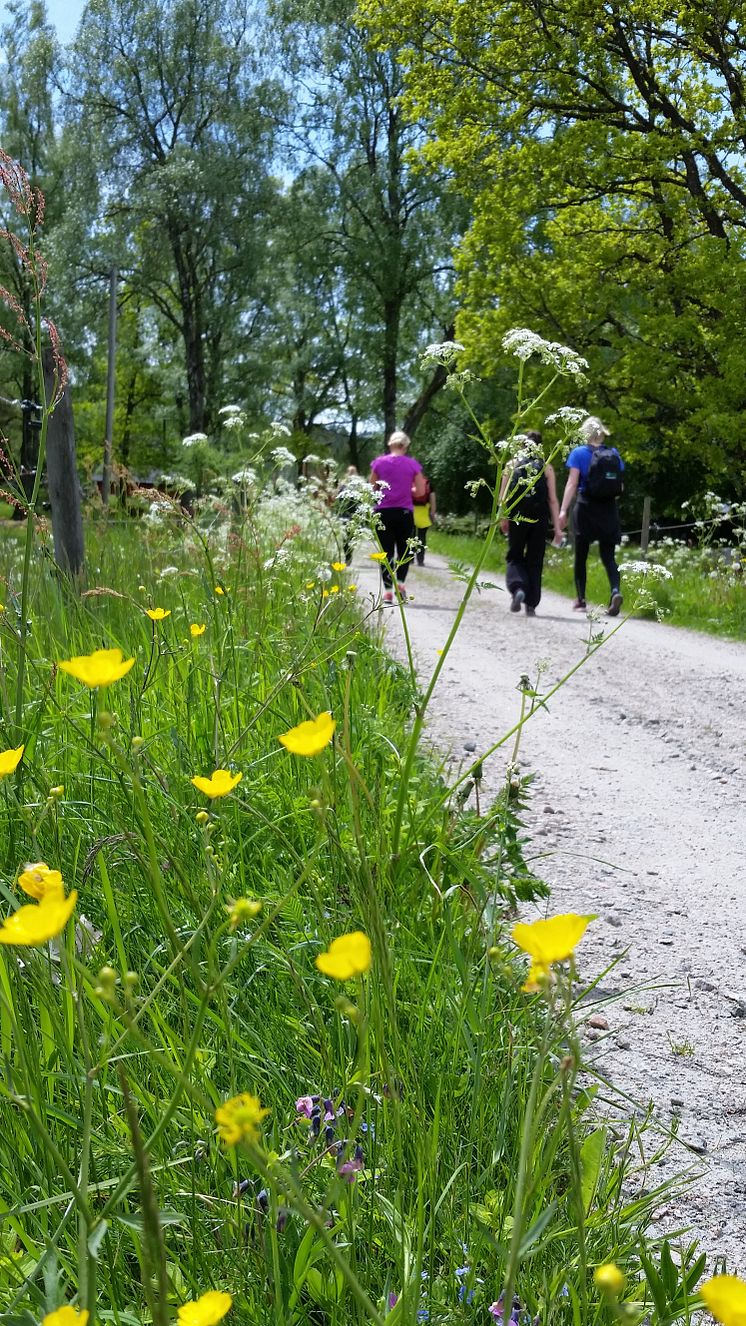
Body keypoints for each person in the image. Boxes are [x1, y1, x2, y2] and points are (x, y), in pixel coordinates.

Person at [558, 415, 625, 615]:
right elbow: (620, 486)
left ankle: (581, 600)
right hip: (608, 509)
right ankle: (615, 591)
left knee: (581, 556)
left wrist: (563, 510)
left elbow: (572, 483)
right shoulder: (614, 454)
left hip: (586, 507)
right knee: (609, 557)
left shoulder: (578, 453)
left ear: (585, 433)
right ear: (602, 433)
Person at [499, 431, 562, 616]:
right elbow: (552, 499)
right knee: (535, 559)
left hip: (517, 516)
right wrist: (557, 528)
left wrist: (503, 518)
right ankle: (531, 604)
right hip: (539, 518)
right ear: (539, 447)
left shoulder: (511, 464)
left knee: (515, 555)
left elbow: (502, 497)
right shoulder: (546, 467)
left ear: (521, 445)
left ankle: (518, 588)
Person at [370, 430, 426, 603]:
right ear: (406, 446)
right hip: (404, 513)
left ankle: (387, 592)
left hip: (383, 512)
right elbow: (421, 491)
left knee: (385, 554)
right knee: (404, 552)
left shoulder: (379, 463)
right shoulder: (412, 465)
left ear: (390, 444)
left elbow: (372, 488)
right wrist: (407, 490)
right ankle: (400, 585)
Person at [334, 464, 362, 565]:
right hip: (344, 514)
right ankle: (348, 556)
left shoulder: (359, 485)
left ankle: (349, 555)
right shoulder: (342, 484)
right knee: (345, 536)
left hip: (354, 514)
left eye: (352, 472)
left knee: (351, 535)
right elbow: (336, 496)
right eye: (350, 472)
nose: (351, 474)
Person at [413, 474, 436, 565]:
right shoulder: (428, 484)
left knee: (411, 536)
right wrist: (432, 514)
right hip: (424, 513)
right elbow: (432, 500)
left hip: (412, 511)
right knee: (422, 537)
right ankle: (420, 560)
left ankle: (409, 559)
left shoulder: (411, 483)